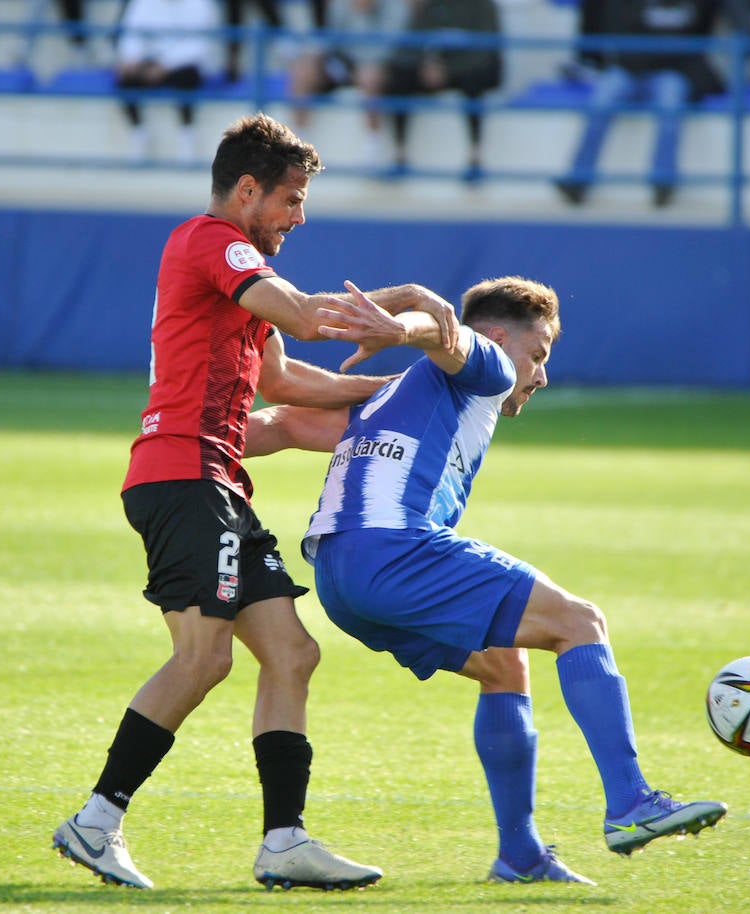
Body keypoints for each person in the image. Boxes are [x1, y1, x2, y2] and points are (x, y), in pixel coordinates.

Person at [51, 112, 460, 892]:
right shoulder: (214, 241)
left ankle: (284, 842)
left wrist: (408, 393)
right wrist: (406, 300)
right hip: (183, 479)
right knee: (202, 658)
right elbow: (308, 319)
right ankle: (97, 820)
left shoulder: (231, 274)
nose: (299, 218)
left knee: (291, 653)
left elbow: (283, 381)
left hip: (212, 482)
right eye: (291, 200)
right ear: (247, 191)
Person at [297, 276, 728, 882]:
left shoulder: (406, 395)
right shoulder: (489, 365)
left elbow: (285, 422)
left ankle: (519, 855)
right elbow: (447, 335)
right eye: (540, 354)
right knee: (581, 622)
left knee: (503, 663)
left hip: (338, 578)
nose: (540, 375)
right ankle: (632, 802)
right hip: (392, 551)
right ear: (500, 337)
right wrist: (402, 328)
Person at [555, 0, 750, 207]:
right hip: (629, 69)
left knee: (670, 105)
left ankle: (663, 181)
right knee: (600, 102)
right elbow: (615, 31)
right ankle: (578, 180)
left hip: (672, 72)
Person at [383, 0, 503, 182]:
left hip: (470, 69)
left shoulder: (484, 6)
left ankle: (475, 156)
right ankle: (399, 154)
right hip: (438, 70)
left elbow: (485, 51)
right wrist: (428, 64)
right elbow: (413, 42)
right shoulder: (432, 6)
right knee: (399, 80)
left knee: (473, 83)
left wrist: (448, 69)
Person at [287, 0, 407, 167]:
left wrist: (366, 15)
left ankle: (372, 148)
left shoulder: (395, 6)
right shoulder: (340, 4)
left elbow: (392, 46)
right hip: (343, 62)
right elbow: (331, 38)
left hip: (378, 64)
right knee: (303, 70)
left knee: (369, 75)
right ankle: (296, 148)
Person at [115, 0, 220, 163]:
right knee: (125, 78)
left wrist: (165, 66)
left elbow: (199, 47)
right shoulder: (141, 3)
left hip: (185, 64)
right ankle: (138, 134)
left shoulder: (201, 4)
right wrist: (132, 59)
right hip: (150, 62)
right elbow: (131, 36)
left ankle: (187, 135)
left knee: (187, 77)